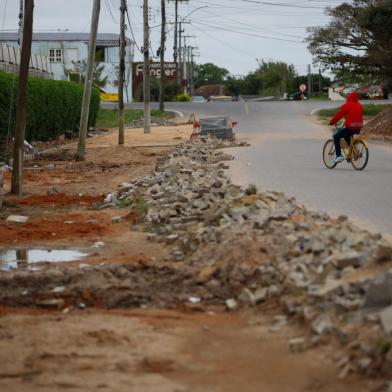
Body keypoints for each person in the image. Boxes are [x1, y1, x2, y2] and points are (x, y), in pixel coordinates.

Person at [329, 91, 363, 164]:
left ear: (349, 97)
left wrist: (332, 122)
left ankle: (339, 156)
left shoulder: (347, 105)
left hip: (350, 127)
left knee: (336, 136)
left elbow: (339, 115)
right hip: (359, 127)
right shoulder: (360, 105)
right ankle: (354, 152)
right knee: (347, 136)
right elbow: (355, 116)